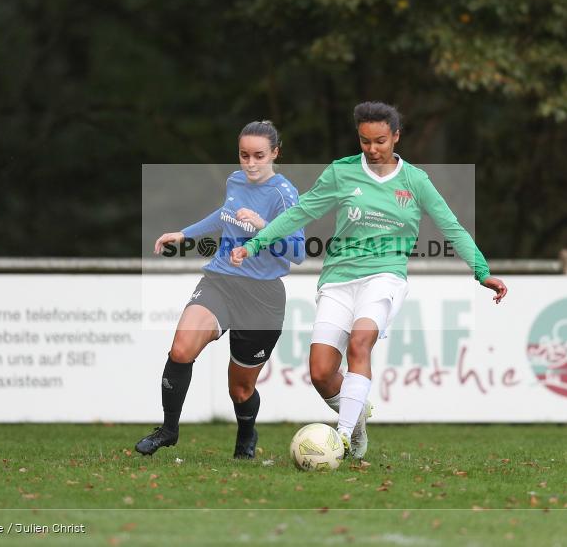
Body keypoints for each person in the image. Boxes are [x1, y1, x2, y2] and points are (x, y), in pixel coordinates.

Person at [231, 102, 507, 460]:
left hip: (385, 276)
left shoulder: (415, 181)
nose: (373, 149)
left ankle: (341, 439)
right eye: (365, 142)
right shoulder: (341, 174)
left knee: (360, 344)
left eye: (380, 141)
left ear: (395, 136)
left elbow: (450, 226)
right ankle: (358, 423)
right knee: (321, 372)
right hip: (338, 280)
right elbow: (300, 213)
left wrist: (482, 271)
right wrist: (255, 245)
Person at [136, 120, 305, 459]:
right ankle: (168, 430)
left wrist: (264, 227)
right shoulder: (235, 180)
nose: (251, 163)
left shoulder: (284, 194)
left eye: (259, 155)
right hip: (221, 280)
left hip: (262, 296)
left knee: (240, 389)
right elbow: (224, 215)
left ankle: (246, 434)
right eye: (244, 155)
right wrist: (185, 234)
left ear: (275, 153)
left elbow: (298, 253)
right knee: (182, 349)